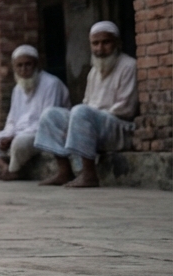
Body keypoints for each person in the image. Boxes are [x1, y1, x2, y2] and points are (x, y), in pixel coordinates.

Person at [34, 21, 138, 188]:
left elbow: (125, 109)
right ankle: (64, 171)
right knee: (50, 115)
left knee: (81, 112)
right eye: (95, 43)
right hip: (93, 122)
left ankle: (89, 175)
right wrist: (77, 122)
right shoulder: (93, 71)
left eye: (106, 42)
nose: (100, 48)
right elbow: (86, 103)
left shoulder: (129, 66)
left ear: (118, 43)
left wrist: (88, 119)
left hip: (118, 126)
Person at [0, 45, 70, 180]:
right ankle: (6, 168)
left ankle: (13, 170)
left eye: (28, 64)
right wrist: (6, 137)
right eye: (19, 66)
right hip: (16, 136)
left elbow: (47, 121)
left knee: (19, 142)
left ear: (36, 65)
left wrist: (13, 137)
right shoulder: (17, 89)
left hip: (39, 135)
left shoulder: (52, 84)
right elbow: (12, 120)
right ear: (14, 68)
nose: (24, 69)